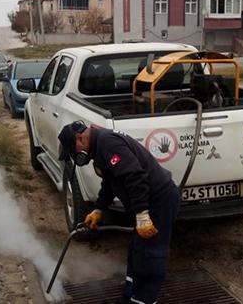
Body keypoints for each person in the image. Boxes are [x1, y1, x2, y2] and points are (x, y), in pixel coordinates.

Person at [58, 121, 181, 304]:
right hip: (147, 201)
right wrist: (99, 209)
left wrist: (142, 214)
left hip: (158, 200)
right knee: (136, 249)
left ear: (80, 138)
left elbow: (135, 177)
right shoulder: (100, 146)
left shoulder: (108, 143)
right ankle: (130, 295)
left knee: (151, 253)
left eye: (74, 151)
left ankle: (144, 300)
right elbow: (110, 182)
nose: (77, 157)